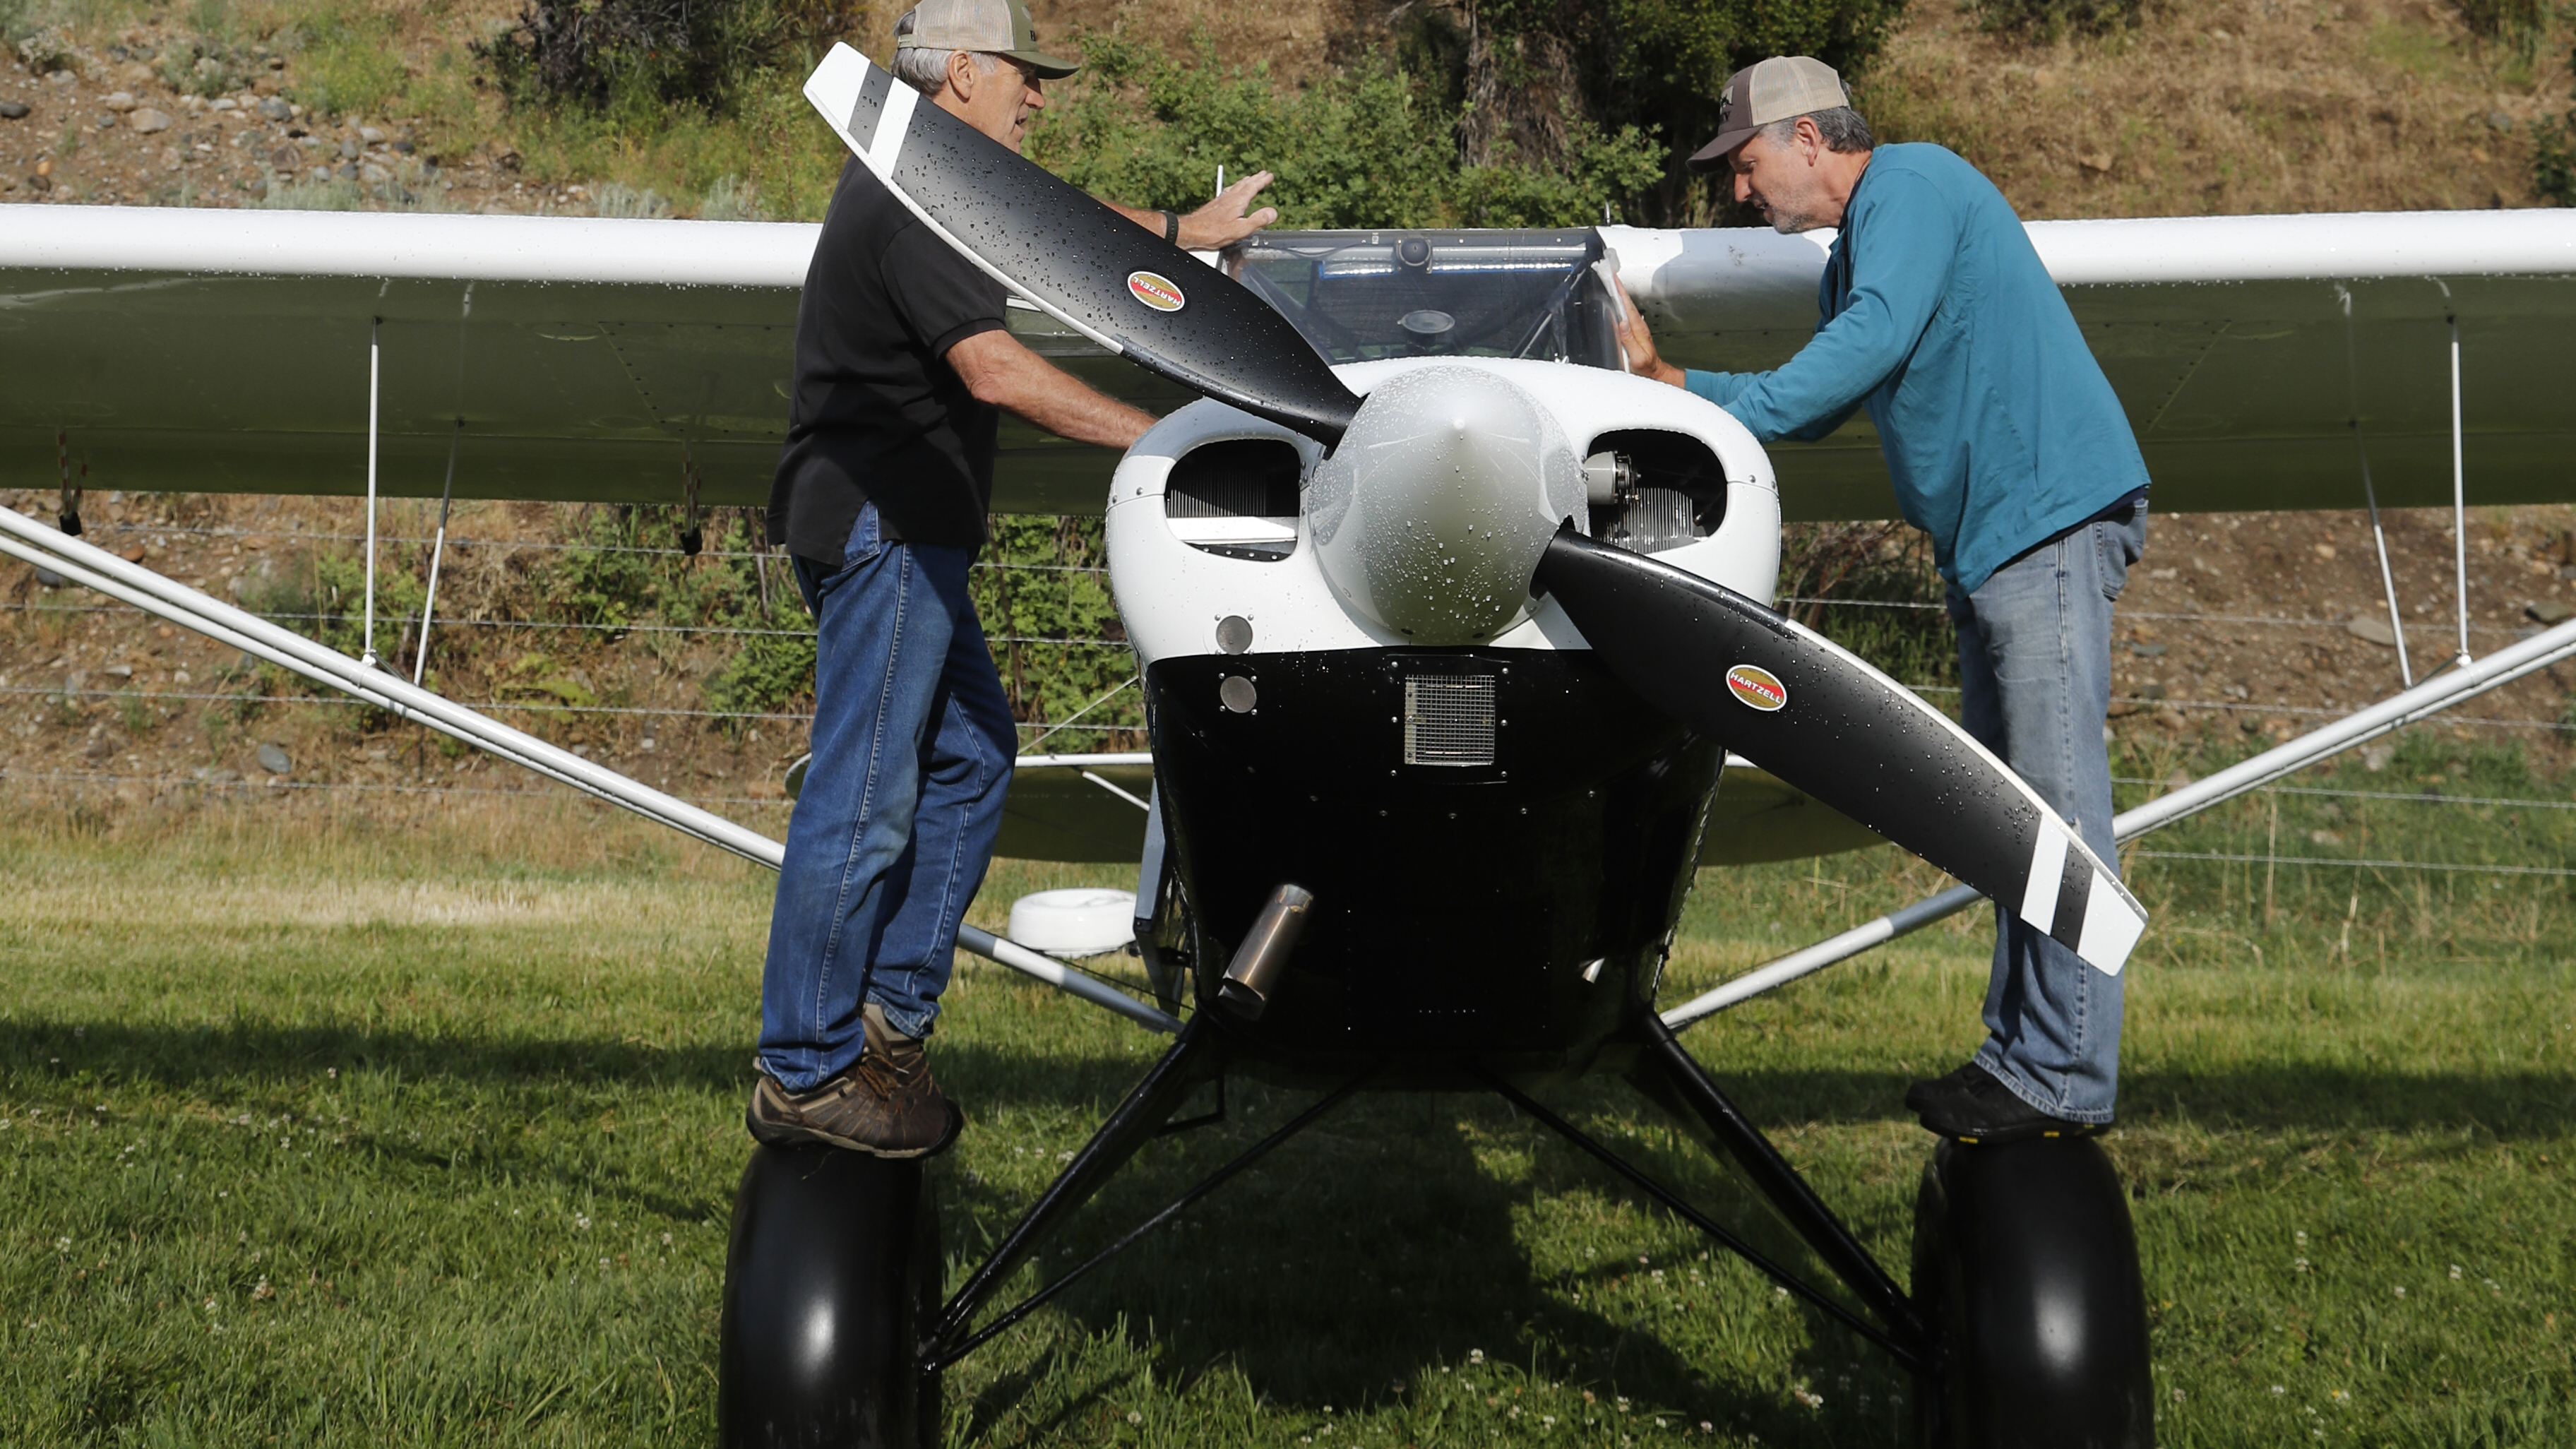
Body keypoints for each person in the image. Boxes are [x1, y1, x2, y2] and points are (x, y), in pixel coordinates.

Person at [751, 0, 1280, 1157]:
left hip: (911, 531)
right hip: (884, 530)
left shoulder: (941, 178)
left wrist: (1185, 230)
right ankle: (803, 1067)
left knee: (974, 757)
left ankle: (889, 1023)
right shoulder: (910, 201)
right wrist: (1165, 439)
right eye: (1020, 72)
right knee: (867, 795)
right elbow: (992, 371)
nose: (1038, 93)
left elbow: (1062, 223)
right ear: (958, 79)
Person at [1614, 56, 2151, 1143]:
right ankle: (2022, 1058)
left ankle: (2067, 1077)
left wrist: (1713, 398)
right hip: (1995, 541)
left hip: (2042, 523)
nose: (1741, 190)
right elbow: (1817, 403)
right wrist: (1671, 390)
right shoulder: (1861, 251)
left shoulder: (1911, 183)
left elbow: (1870, 342)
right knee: (2015, 819)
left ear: (1811, 139)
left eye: (1749, 163)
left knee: (2052, 809)